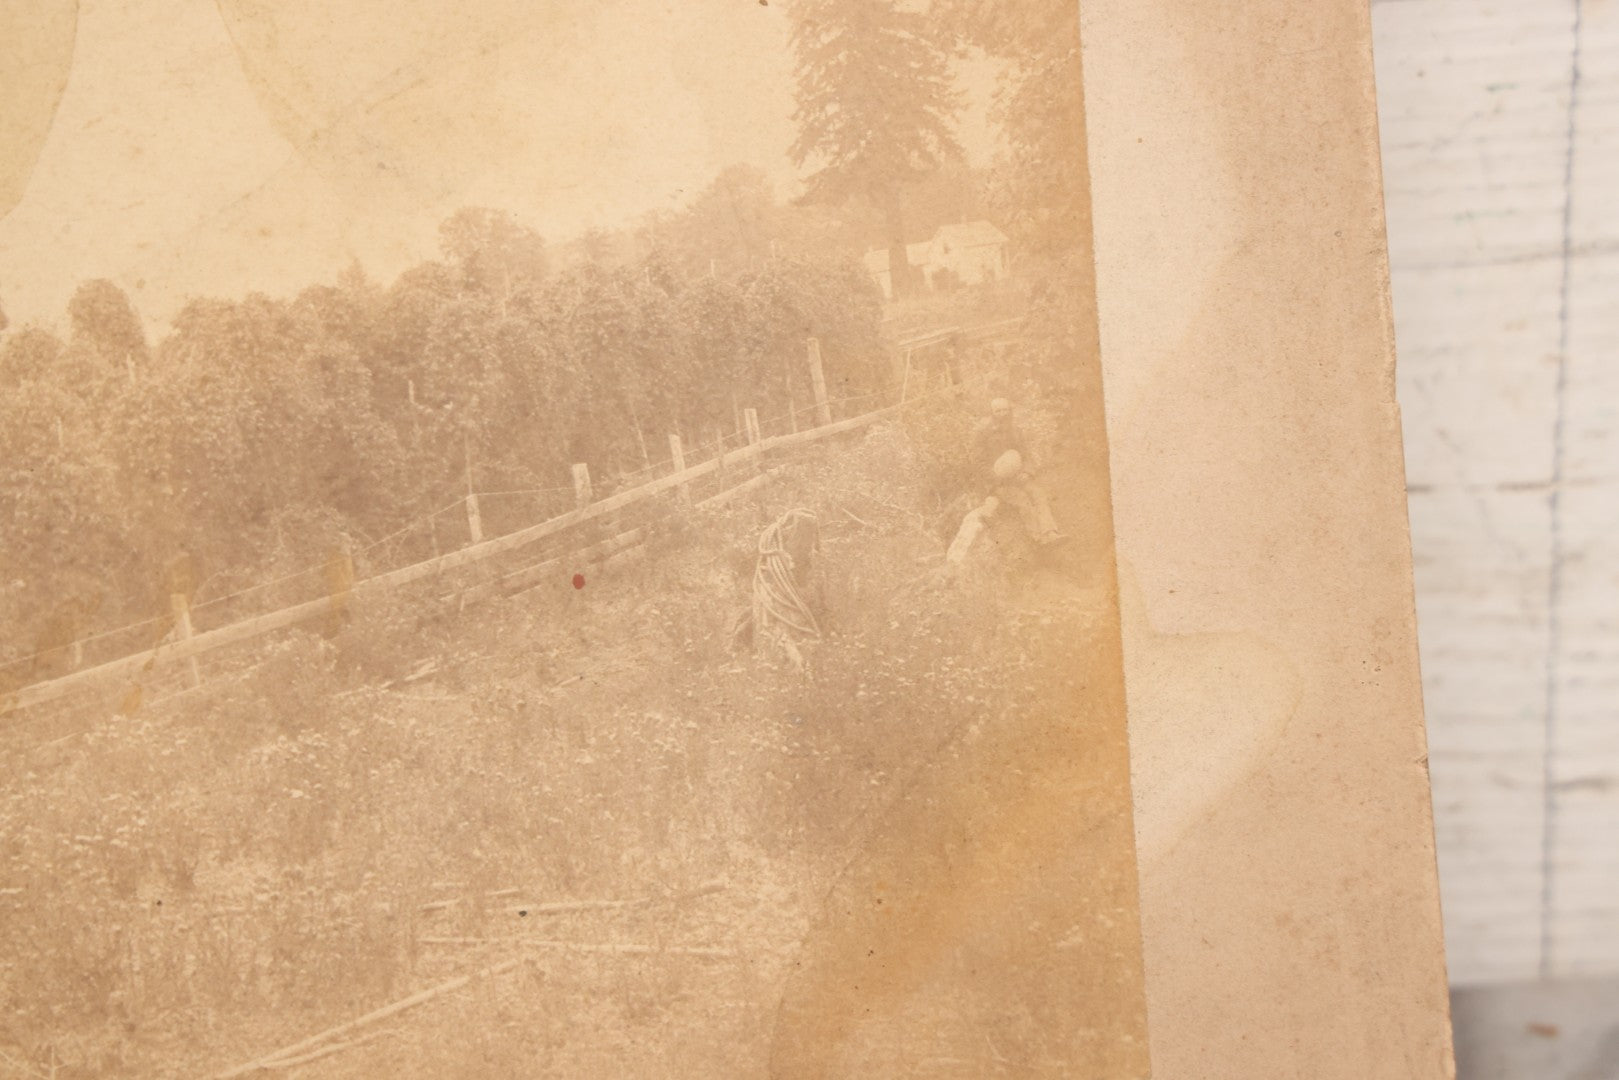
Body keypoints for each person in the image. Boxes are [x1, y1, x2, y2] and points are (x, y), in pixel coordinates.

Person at [967, 398, 1064, 545]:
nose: (1002, 414)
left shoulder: (1015, 431)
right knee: (1022, 500)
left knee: (1037, 493)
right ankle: (1039, 537)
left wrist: (1026, 472)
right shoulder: (983, 434)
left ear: (1010, 410)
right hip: (997, 482)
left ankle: (1051, 532)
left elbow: (1026, 455)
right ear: (992, 413)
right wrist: (996, 478)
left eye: (1005, 410)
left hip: (1018, 476)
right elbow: (978, 463)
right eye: (997, 411)